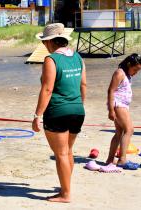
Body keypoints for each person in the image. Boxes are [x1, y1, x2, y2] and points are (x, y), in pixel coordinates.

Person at [32, 23, 86, 203]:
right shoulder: (78, 57)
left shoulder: (51, 59)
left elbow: (47, 89)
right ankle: (66, 186)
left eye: (44, 42)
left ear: (50, 42)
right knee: (68, 151)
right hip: (78, 110)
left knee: (61, 154)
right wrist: (79, 104)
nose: (43, 45)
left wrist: (37, 115)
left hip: (58, 111)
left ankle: (65, 194)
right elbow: (83, 85)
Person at [106, 53, 141, 169]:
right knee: (129, 130)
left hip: (123, 105)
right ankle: (122, 160)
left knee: (119, 132)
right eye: (135, 69)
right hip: (118, 104)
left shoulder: (127, 74)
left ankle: (110, 160)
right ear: (129, 64)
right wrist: (111, 110)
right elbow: (111, 91)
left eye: (138, 70)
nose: (136, 72)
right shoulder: (119, 73)